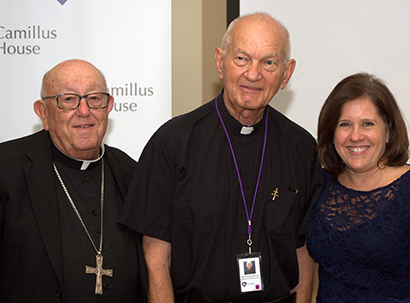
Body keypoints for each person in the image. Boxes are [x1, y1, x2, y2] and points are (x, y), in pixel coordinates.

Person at [120, 12, 323, 303]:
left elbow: (302, 251)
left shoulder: (301, 148)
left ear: (286, 73)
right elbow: (156, 258)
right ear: (220, 62)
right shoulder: (173, 142)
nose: (253, 74)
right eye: (241, 59)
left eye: (268, 62)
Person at [0, 59, 146, 302]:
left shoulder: (131, 172)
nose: (84, 111)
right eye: (68, 99)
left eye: (94, 98)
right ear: (43, 112)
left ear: (108, 106)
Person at [306, 73, 410, 302]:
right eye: (345, 124)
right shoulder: (320, 185)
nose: (355, 136)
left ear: (388, 131)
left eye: (368, 124)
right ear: (331, 134)